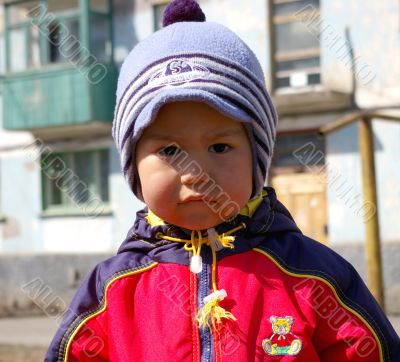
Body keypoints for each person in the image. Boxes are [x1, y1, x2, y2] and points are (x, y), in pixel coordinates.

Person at [45, 0, 400, 361]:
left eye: (220, 146)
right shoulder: (111, 293)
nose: (196, 173)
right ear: (134, 166)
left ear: (257, 157)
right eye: (168, 150)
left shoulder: (314, 277)